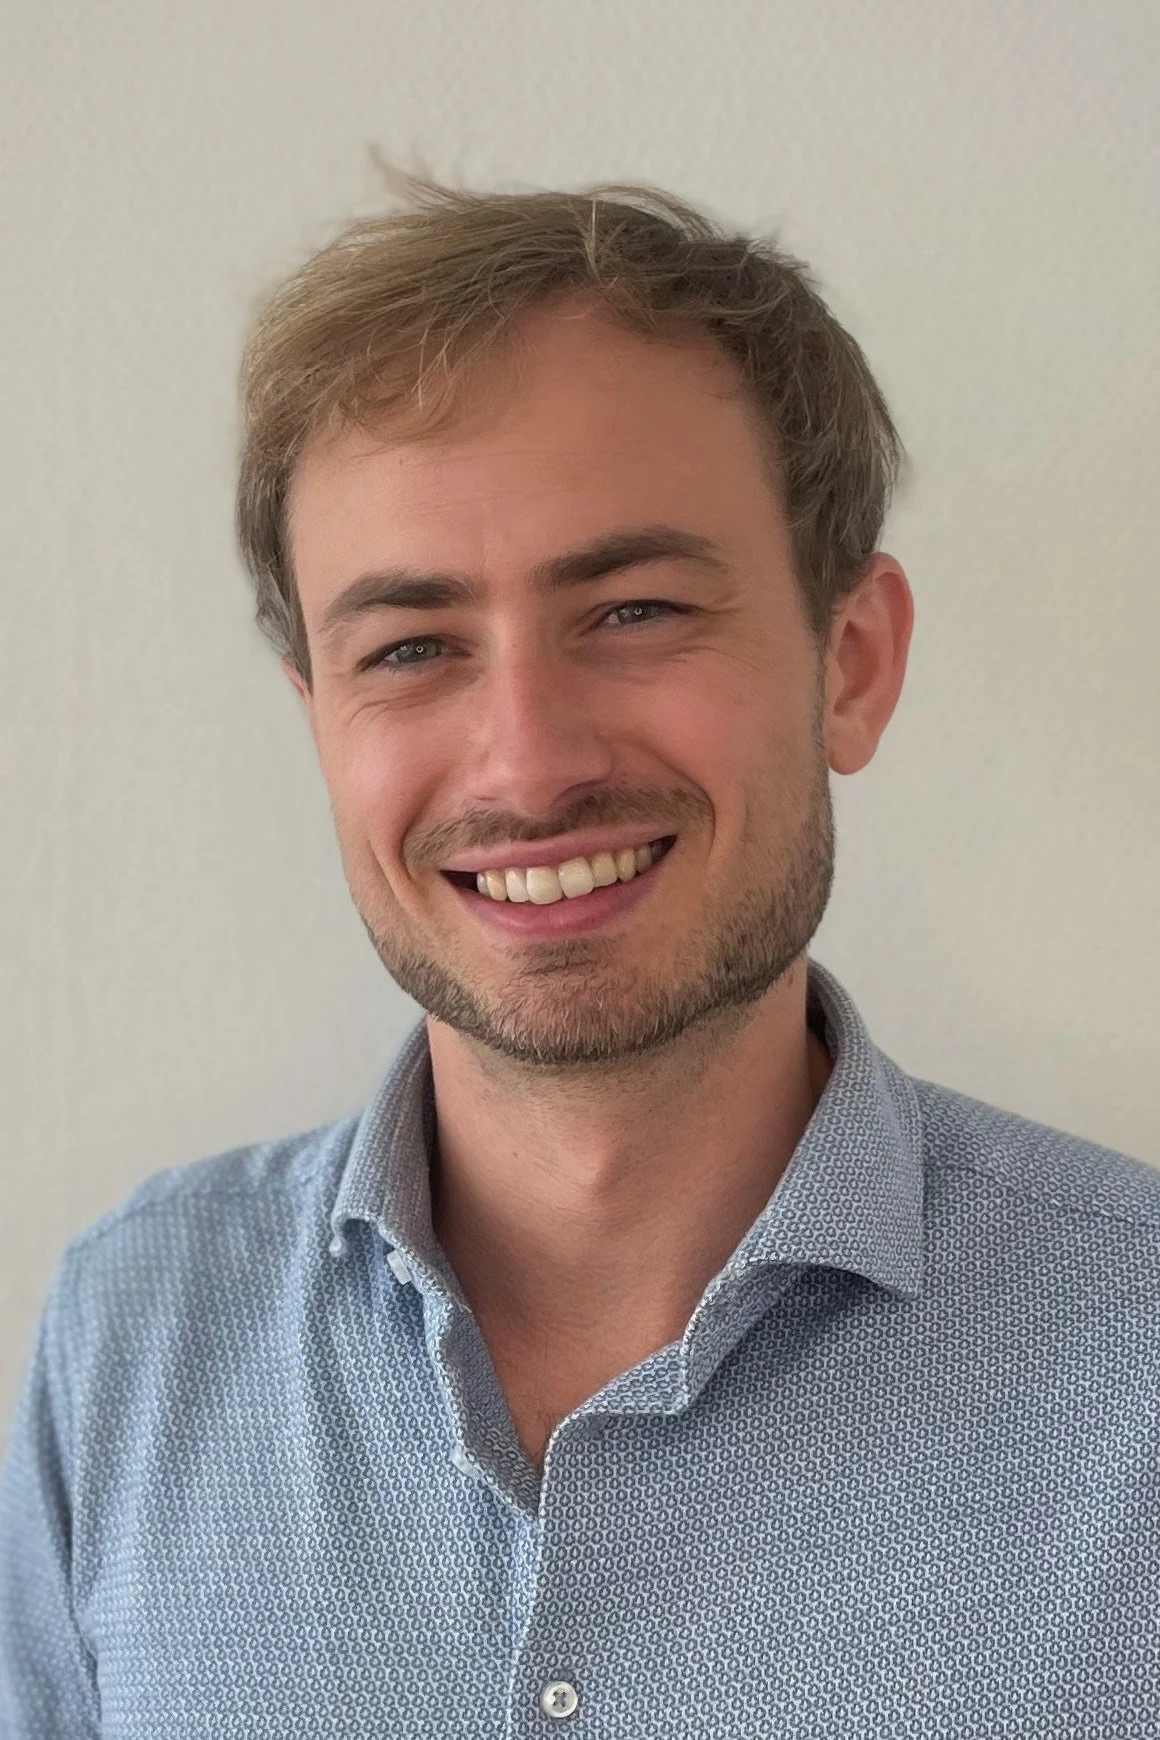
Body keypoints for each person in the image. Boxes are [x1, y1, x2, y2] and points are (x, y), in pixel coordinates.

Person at [1, 174, 1156, 1737]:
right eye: (410, 648)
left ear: (851, 663)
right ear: (321, 725)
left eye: (632, 609)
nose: (529, 765)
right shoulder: (133, 1331)